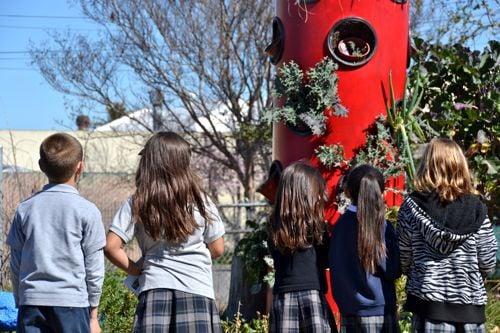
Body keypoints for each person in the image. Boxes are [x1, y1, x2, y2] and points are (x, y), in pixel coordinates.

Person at [105, 132, 225, 332]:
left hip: (154, 289)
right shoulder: (201, 201)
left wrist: (136, 270)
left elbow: (111, 247)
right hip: (197, 290)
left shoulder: (138, 201)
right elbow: (218, 248)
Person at [7, 133, 105, 333]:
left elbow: (16, 263)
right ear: (80, 166)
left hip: (32, 303)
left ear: (41, 166)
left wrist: (20, 299)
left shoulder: (25, 209)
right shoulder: (87, 210)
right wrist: (93, 313)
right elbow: (94, 267)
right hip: (72, 305)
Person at [397, 138, 497, 332]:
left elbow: (404, 258)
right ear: (460, 166)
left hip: (429, 310)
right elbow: (487, 261)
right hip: (470, 312)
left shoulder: (411, 207)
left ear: (427, 165)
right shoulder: (477, 209)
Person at [329, 164, 400, 333]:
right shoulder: (382, 226)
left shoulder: (340, 226)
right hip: (380, 310)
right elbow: (393, 270)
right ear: (380, 192)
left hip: (349, 310)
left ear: (349, 191)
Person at [269, 162, 335, 333]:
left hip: (283, 297)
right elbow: (326, 260)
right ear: (306, 195)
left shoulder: (275, 226)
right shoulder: (317, 226)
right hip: (313, 294)